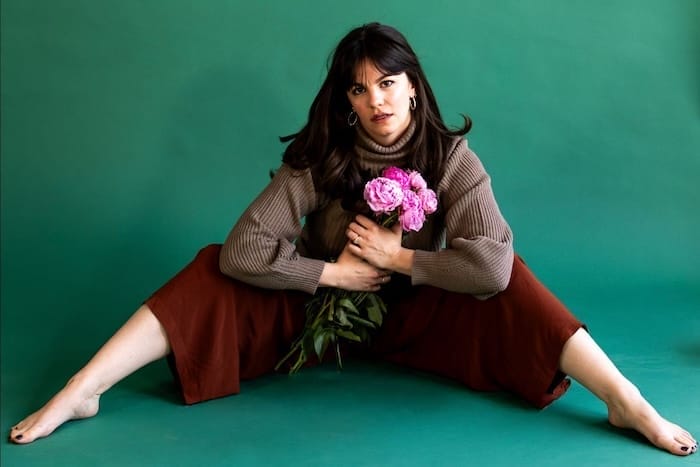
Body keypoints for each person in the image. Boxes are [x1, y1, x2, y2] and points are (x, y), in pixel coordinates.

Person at [9, 22, 696, 456]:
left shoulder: (452, 158)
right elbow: (244, 249)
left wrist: (402, 260)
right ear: (346, 101)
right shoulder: (322, 157)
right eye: (361, 90)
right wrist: (334, 275)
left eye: (389, 83)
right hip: (319, 314)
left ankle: (623, 400)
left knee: (515, 278)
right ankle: (84, 387)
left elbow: (490, 265)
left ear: (414, 88)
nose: (378, 101)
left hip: (423, 319)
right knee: (213, 267)